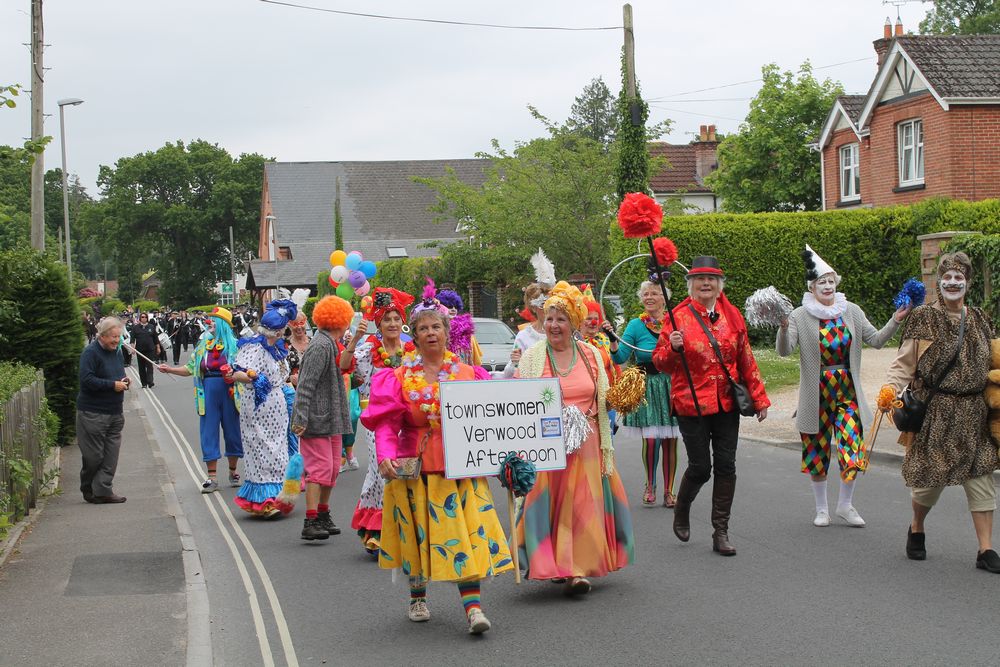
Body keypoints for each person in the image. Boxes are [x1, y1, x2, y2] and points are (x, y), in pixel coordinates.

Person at [361, 301, 513, 634]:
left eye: (436, 327)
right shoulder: (398, 377)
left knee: (465, 538)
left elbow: (492, 422)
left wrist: (507, 459)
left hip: (460, 471)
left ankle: (473, 609)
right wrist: (385, 455)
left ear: (446, 332)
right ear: (414, 336)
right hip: (416, 470)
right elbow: (387, 424)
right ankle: (417, 597)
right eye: (423, 328)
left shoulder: (469, 374)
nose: (431, 333)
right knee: (418, 537)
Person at [883, 252, 1000, 573]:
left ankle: (986, 549)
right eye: (947, 277)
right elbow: (904, 362)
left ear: (968, 283)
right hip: (936, 413)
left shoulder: (980, 319)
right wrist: (890, 389)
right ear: (939, 282)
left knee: (981, 476)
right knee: (928, 482)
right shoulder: (923, 317)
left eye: (959, 278)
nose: (952, 283)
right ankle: (916, 527)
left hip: (974, 413)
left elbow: (994, 360)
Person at [515, 281, 634, 594]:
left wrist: (622, 399)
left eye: (561, 319)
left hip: (587, 443)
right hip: (546, 445)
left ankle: (576, 569)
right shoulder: (532, 357)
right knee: (552, 503)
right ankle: (556, 562)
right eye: (549, 319)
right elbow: (517, 402)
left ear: (574, 324)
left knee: (582, 504)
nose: (554, 325)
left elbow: (604, 397)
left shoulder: (592, 354)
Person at [777, 245, 909, 527]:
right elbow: (785, 350)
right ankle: (821, 509)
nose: (827, 286)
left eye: (830, 281)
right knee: (817, 451)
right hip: (816, 395)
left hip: (847, 392)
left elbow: (876, 340)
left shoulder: (851, 311)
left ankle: (845, 505)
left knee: (852, 448)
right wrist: (783, 327)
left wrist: (895, 321)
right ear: (812, 287)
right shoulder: (800, 315)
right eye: (821, 282)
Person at [654, 256, 770, 557]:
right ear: (691, 285)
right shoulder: (677, 317)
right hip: (690, 403)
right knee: (701, 468)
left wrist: (759, 398)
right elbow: (660, 362)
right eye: (700, 279)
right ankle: (682, 506)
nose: (706, 283)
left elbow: (745, 358)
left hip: (727, 403)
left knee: (727, 466)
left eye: (711, 279)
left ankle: (721, 531)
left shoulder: (732, 317)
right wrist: (673, 348)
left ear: (719, 285)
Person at [345, 287, 414, 556]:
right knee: (381, 470)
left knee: (407, 471)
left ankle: (406, 529)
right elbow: (344, 365)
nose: (393, 324)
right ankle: (380, 532)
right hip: (379, 422)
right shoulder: (368, 350)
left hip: (406, 421)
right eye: (387, 320)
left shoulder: (411, 350)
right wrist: (355, 338)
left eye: (396, 319)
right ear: (379, 324)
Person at [608, 281, 681, 507]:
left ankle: (669, 491)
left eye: (654, 293)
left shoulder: (675, 322)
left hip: (670, 385)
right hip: (647, 387)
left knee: (670, 440)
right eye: (645, 294)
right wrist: (612, 339)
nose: (649, 297)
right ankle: (650, 485)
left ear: (664, 298)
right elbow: (620, 357)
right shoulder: (635, 325)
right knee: (651, 440)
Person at [158, 306, 244, 493]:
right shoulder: (202, 346)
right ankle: (212, 477)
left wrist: (236, 374)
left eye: (214, 320)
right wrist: (170, 369)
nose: (209, 323)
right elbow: (190, 368)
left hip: (230, 393)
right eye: (209, 320)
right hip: (208, 393)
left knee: (233, 432)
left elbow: (246, 371)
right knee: (208, 432)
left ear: (223, 324)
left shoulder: (237, 346)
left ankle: (233, 471)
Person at [291, 296, 355, 541]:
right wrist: (300, 417)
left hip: (332, 418)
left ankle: (322, 513)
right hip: (316, 418)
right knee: (319, 470)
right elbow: (305, 384)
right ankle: (310, 521)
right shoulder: (319, 346)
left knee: (333, 469)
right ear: (341, 319)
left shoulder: (331, 343)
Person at [228, 299, 298, 517]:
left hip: (277, 405)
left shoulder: (277, 349)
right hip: (258, 405)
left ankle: (278, 497)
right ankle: (265, 501)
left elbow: (283, 376)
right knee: (260, 448)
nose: (282, 333)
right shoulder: (253, 347)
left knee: (278, 449)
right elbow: (236, 373)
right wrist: (254, 378)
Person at [77, 317, 130, 504]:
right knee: (94, 456)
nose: (117, 340)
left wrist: (124, 381)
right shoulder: (90, 353)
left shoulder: (117, 352)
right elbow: (87, 380)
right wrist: (112, 385)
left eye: (119, 336)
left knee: (111, 456)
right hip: (93, 412)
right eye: (113, 337)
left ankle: (103, 491)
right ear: (102, 336)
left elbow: (118, 374)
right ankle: (88, 487)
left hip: (115, 411)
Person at [130, 312, 161, 389]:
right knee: (141, 367)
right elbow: (132, 339)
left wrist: (158, 347)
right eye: (142, 317)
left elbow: (156, 339)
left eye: (145, 317)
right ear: (140, 318)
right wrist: (132, 348)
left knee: (149, 365)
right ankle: (144, 383)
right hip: (140, 350)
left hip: (150, 349)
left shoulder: (151, 327)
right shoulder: (135, 328)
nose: (144, 318)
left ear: (147, 318)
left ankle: (150, 381)